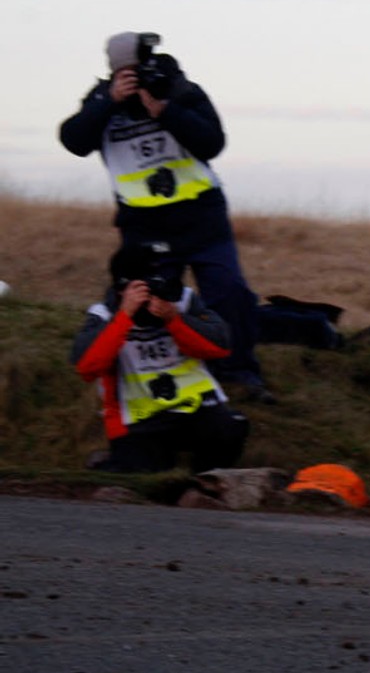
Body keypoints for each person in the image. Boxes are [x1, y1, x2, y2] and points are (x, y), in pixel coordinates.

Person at [59, 31, 269, 400]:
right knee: (149, 301)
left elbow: (212, 143)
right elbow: (74, 140)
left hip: (202, 216)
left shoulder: (179, 90)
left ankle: (238, 373)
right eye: (132, 70)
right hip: (143, 225)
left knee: (229, 291)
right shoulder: (102, 101)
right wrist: (109, 102)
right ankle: (165, 378)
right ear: (117, 71)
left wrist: (167, 111)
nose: (141, 76)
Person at [72, 241, 250, 474]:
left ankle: (203, 482)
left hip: (196, 408)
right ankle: (115, 463)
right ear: (123, 287)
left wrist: (175, 319)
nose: (159, 286)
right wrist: (124, 316)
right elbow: (87, 367)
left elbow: (220, 346)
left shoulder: (181, 300)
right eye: (150, 282)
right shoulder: (104, 314)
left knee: (232, 431)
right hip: (138, 419)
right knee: (143, 473)